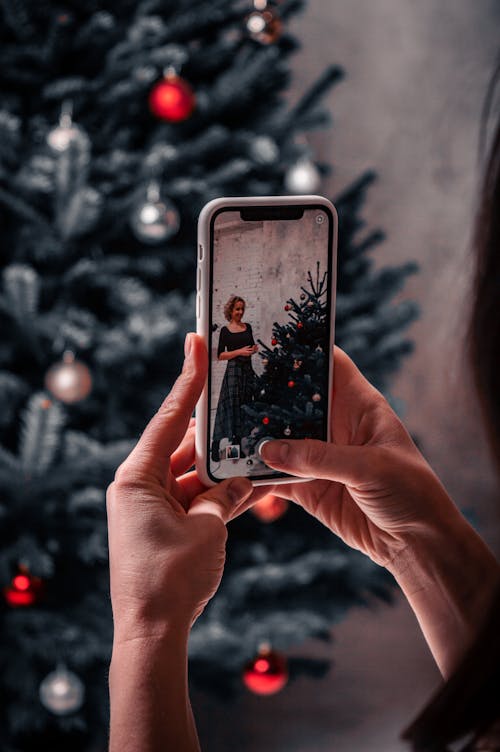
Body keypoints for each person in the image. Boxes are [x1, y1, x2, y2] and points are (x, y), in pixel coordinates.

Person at [107, 111, 500, 752]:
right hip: (238, 389)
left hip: (239, 384)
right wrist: (415, 542)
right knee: (232, 417)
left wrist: (147, 630)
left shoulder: (241, 329)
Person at [210, 295, 258, 461]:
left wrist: (253, 349)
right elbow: (221, 355)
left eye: (242, 309)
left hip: (247, 371)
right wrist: (239, 352)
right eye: (237, 309)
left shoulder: (248, 327)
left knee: (243, 407)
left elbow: (250, 347)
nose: (240, 312)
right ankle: (215, 448)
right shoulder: (225, 330)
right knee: (229, 407)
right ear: (230, 310)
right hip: (233, 371)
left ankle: (235, 450)